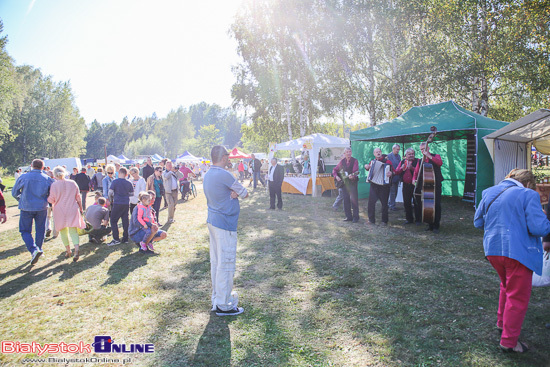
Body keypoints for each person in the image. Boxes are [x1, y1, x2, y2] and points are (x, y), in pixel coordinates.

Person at [474, 169, 550, 353]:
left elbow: (478, 222)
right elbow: (539, 228)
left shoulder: (490, 191)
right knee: (518, 296)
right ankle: (509, 342)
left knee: (506, 286)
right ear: (529, 183)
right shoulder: (528, 194)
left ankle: (502, 323)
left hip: (492, 250)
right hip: (518, 252)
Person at [204, 145, 248, 316]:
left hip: (214, 221)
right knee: (226, 264)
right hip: (224, 224)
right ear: (222, 157)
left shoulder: (208, 174)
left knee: (216, 262)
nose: (229, 159)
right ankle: (224, 304)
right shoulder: (224, 174)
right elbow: (244, 193)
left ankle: (218, 298)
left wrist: (232, 193)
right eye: (227, 156)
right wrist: (235, 193)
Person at [12, 159, 54, 265]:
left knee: (25, 230)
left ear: (31, 165)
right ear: (43, 167)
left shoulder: (24, 176)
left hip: (26, 207)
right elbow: (52, 193)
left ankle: (34, 249)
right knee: (40, 230)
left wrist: (21, 199)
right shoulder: (47, 178)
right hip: (41, 207)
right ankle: (38, 249)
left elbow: (14, 192)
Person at [48, 166, 85, 261]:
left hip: (59, 210)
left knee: (63, 231)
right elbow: (78, 197)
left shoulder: (54, 185)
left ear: (55, 174)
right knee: (73, 230)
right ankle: (76, 249)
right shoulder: (72, 183)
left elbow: (51, 199)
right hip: (72, 208)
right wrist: (81, 208)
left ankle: (68, 251)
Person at [413, 141, 443, 233]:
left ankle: (436, 226)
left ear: (428, 148)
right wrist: (414, 179)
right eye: (421, 149)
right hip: (425, 184)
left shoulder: (436, 156)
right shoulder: (420, 160)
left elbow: (439, 163)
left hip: (436, 184)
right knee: (428, 205)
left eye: (424, 149)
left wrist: (428, 156)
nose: (422, 151)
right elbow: (416, 172)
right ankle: (430, 224)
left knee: (436, 205)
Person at [364, 148, 394, 226]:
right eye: (376, 152)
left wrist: (391, 173)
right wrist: (366, 167)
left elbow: (393, 171)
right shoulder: (372, 162)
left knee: (384, 204)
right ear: (374, 154)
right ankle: (371, 220)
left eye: (379, 151)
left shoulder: (388, 162)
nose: (378, 153)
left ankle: (384, 221)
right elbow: (368, 169)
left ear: (381, 152)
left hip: (384, 186)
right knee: (371, 203)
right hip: (374, 185)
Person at [394, 148, 422, 225]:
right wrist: (401, 168)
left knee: (417, 202)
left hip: (416, 185)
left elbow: (420, 172)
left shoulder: (418, 161)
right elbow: (396, 171)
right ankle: (409, 219)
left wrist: (412, 168)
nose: (411, 155)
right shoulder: (402, 161)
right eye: (409, 154)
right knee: (407, 202)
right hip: (406, 185)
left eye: (412, 154)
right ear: (405, 155)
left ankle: (418, 220)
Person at [333, 147, 360, 223]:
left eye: (349, 151)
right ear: (344, 153)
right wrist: (336, 176)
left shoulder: (355, 161)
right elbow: (335, 169)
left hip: (352, 183)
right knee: (346, 200)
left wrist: (353, 176)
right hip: (345, 184)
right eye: (347, 152)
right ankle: (348, 217)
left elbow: (355, 171)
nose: (348, 153)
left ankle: (356, 217)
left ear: (351, 153)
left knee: (354, 200)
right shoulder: (342, 161)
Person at [108, 167, 134, 246]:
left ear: (118, 173)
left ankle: (116, 239)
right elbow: (132, 194)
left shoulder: (115, 181)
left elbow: (110, 192)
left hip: (117, 202)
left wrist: (111, 199)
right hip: (126, 203)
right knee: (125, 221)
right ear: (126, 174)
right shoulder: (129, 182)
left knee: (113, 220)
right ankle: (125, 238)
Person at [387, 144, 401, 211]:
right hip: (391, 177)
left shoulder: (398, 156)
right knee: (392, 192)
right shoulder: (388, 156)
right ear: (393, 149)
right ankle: (391, 205)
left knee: (396, 191)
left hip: (397, 176)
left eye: (399, 149)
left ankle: (391, 203)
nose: (398, 151)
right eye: (397, 149)